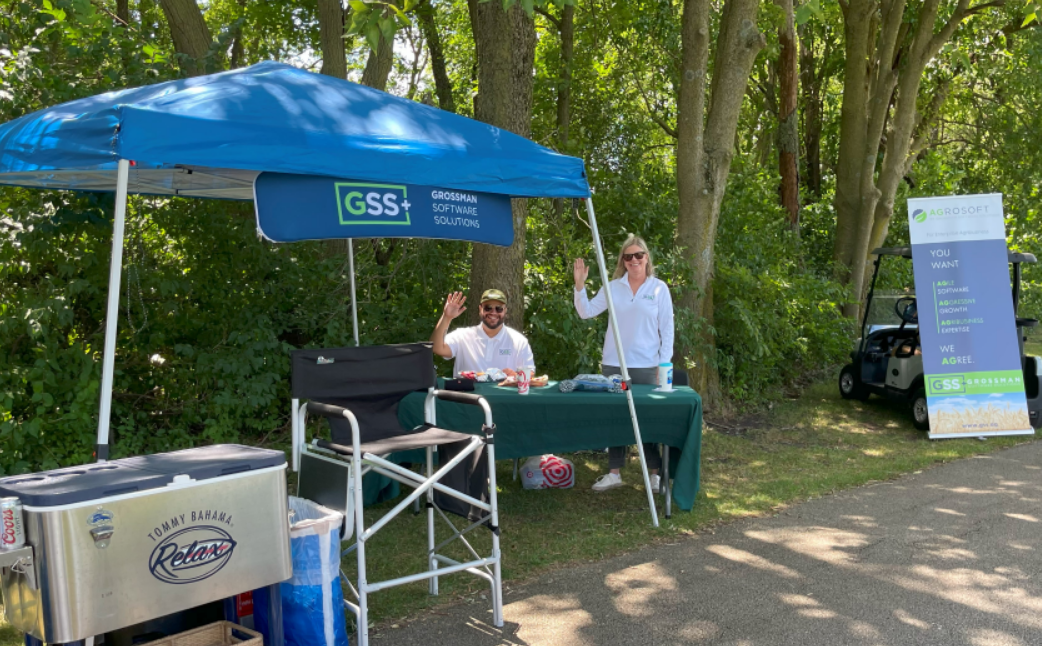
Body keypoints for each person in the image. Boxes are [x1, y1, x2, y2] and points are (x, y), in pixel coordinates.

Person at [573, 235, 674, 492]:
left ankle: (655, 474)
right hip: (614, 365)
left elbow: (668, 329)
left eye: (638, 255)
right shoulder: (612, 287)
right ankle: (614, 472)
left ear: (646, 257)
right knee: (616, 417)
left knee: (647, 420)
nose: (633, 260)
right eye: (628, 257)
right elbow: (585, 312)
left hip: (647, 367)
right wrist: (579, 285)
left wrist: (664, 366)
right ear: (622, 261)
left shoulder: (659, 288)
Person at [431, 288, 536, 378]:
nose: (493, 312)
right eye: (488, 308)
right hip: (466, 399)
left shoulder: (518, 340)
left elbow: (530, 372)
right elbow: (436, 348)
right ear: (480, 309)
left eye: (499, 308)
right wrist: (447, 317)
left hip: (503, 399)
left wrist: (516, 377)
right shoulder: (462, 336)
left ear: (505, 311)